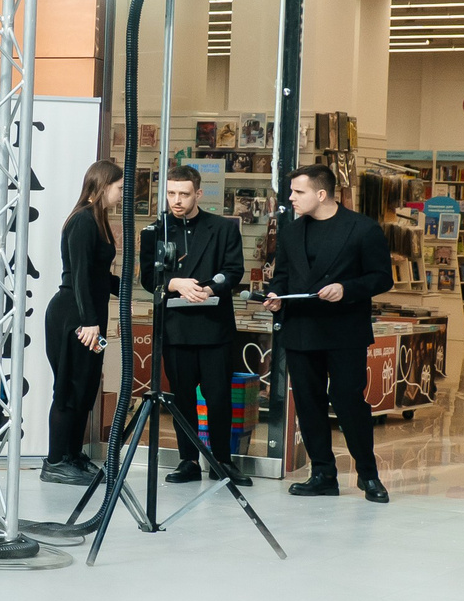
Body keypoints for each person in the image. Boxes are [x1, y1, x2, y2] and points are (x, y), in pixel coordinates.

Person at [267, 163, 391, 503]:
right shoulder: (291, 232)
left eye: (298, 192)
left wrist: (346, 289)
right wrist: (275, 296)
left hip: (344, 331)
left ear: (321, 194)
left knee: (349, 401)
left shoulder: (363, 229)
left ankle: (368, 475)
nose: (290, 198)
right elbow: (283, 275)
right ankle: (322, 473)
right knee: (308, 403)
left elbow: (382, 278)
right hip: (300, 329)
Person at [139, 163, 247, 485]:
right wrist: (175, 284)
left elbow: (234, 270)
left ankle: (221, 461)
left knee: (218, 398)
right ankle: (188, 461)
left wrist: (210, 288)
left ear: (198, 193)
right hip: (175, 328)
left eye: (184, 194)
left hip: (214, 327)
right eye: (171, 193)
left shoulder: (223, 228)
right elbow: (148, 277)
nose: (177, 200)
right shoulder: (155, 231)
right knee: (182, 399)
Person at [41, 160, 123, 484]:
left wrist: (125, 290)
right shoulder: (83, 222)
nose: (121, 194)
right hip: (74, 318)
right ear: (103, 186)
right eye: (118, 188)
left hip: (90, 318)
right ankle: (56, 460)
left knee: (86, 386)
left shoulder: (98, 221)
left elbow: (98, 275)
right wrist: (89, 322)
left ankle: (73, 454)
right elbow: (78, 277)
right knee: (69, 388)